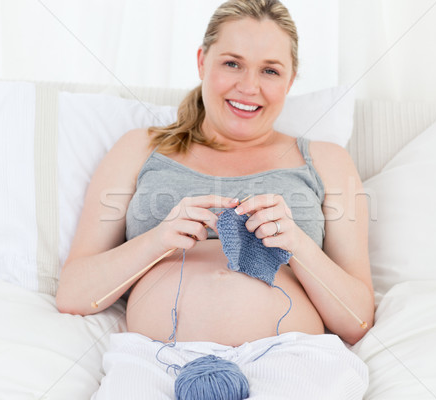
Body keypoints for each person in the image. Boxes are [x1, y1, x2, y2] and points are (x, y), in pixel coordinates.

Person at [56, 0, 374, 398]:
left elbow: (357, 321)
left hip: (294, 360)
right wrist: (158, 240)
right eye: (232, 63)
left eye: (270, 70)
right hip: (157, 361)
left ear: (290, 81)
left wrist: (297, 245)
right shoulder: (140, 148)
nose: (249, 87)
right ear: (202, 61)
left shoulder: (326, 160)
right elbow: (73, 294)